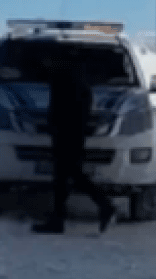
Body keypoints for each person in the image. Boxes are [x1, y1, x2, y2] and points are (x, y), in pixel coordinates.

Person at [31, 52, 118, 234]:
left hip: (66, 133)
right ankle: (59, 219)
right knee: (65, 176)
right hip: (74, 133)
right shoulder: (80, 83)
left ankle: (104, 205)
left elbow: (58, 109)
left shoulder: (64, 82)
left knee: (70, 174)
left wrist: (54, 126)